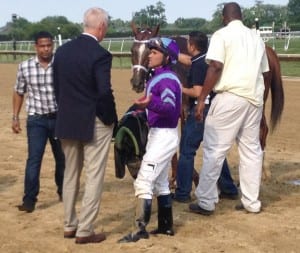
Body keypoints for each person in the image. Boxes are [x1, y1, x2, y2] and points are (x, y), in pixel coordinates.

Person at [189, 2, 269, 215]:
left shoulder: (221, 35)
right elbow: (265, 74)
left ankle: (206, 200)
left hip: (230, 97)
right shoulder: (256, 38)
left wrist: (201, 98)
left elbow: (215, 66)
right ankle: (251, 202)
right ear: (240, 16)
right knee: (251, 151)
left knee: (214, 149)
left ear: (225, 17)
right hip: (254, 98)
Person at [53, 7, 117, 244]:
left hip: (67, 119)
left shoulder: (62, 51)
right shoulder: (100, 54)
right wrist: (111, 118)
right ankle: (85, 229)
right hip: (94, 121)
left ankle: (70, 224)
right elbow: (103, 92)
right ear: (101, 27)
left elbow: (57, 88)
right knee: (94, 176)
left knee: (70, 174)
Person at [118, 37, 181, 243]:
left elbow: (171, 108)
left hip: (164, 135)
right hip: (160, 134)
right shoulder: (158, 76)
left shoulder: (167, 79)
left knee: (144, 180)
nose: (150, 55)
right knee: (161, 182)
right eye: (150, 51)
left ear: (166, 56)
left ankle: (139, 229)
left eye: (154, 52)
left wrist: (150, 103)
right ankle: (166, 227)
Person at [172, 31, 238, 203]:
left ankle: (182, 193)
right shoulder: (205, 60)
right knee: (215, 150)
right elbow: (188, 60)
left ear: (192, 46)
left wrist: (181, 88)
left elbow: (198, 91)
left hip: (200, 111)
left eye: (188, 43)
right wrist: (171, 52)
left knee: (186, 150)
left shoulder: (197, 66)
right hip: (214, 109)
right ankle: (228, 188)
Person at [12, 31, 65, 213]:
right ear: (36, 47)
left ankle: (63, 191)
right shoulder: (25, 67)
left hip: (58, 119)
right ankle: (29, 200)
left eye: (49, 45)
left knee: (62, 159)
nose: (46, 49)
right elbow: (19, 92)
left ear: (53, 45)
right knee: (34, 160)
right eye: (42, 46)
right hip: (36, 121)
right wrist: (15, 117)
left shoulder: (61, 65)